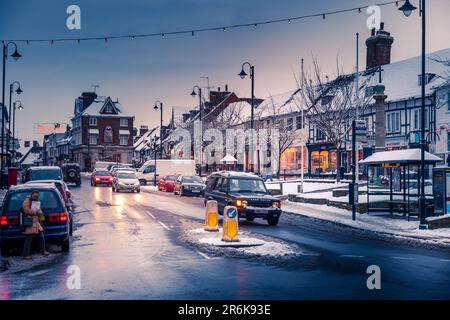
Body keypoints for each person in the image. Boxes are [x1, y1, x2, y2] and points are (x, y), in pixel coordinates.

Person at [22, 191, 50, 260]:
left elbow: (39, 210)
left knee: (41, 236)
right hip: (30, 222)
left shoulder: (36, 201)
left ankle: (43, 251)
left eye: (37, 196)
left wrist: (42, 216)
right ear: (31, 195)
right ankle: (26, 255)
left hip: (36, 222)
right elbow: (26, 210)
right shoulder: (27, 200)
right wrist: (35, 212)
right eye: (35, 196)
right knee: (29, 238)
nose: (36, 197)